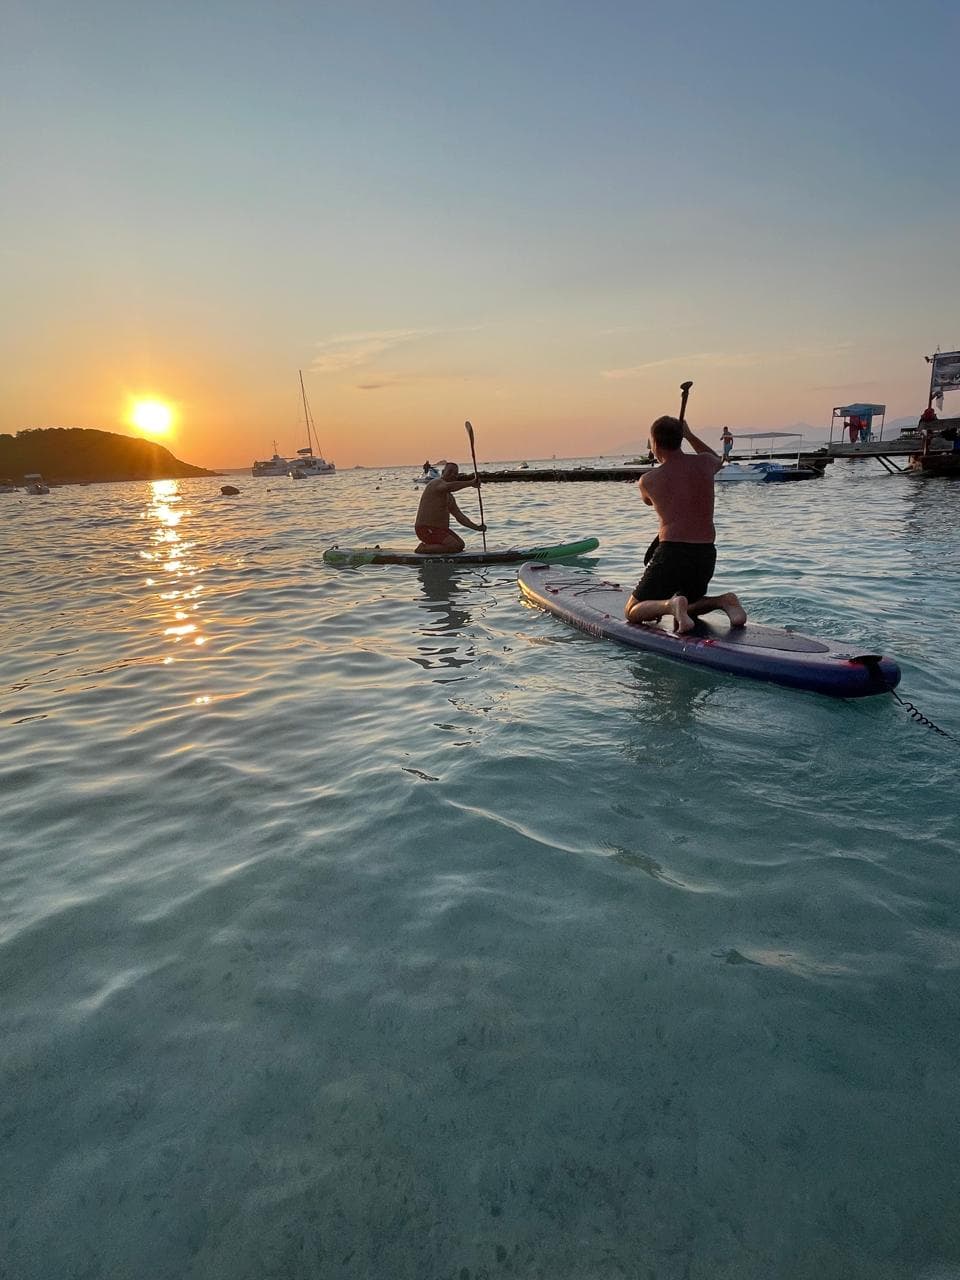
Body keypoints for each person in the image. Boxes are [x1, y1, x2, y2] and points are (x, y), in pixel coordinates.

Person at [625, 415, 747, 634]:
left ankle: (671, 605)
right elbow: (715, 458)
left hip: (672, 552)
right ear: (681, 438)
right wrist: (690, 435)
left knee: (632, 611)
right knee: (690, 605)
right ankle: (724, 601)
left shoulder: (648, 480)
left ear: (655, 443)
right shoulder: (705, 463)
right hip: (705, 553)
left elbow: (647, 501)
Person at [414, 461, 486, 553]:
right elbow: (448, 486)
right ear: (443, 472)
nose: (452, 475)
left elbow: (460, 517)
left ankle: (434, 548)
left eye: (455, 474)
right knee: (454, 546)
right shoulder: (435, 483)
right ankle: (423, 549)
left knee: (460, 545)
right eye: (450, 472)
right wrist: (470, 483)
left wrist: (477, 528)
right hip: (426, 529)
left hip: (441, 530)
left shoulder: (450, 498)